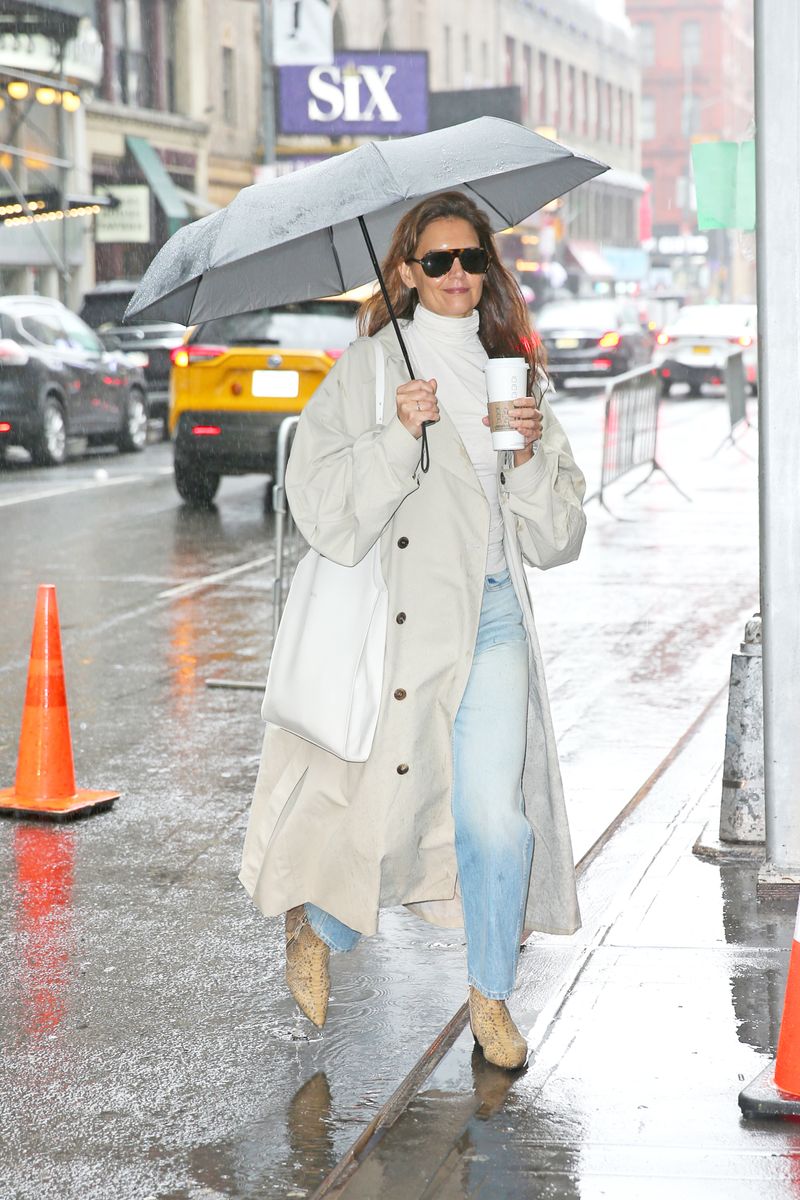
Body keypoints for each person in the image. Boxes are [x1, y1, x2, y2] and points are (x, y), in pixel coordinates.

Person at [240, 191, 586, 1071]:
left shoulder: (519, 373)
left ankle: (491, 994)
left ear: (489, 270)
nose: (457, 276)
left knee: (494, 819)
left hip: (495, 615)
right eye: (437, 262)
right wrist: (399, 432)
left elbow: (556, 540)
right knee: (385, 802)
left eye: (472, 259)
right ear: (406, 272)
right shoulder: (366, 372)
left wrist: (532, 456)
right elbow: (318, 507)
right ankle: (314, 923)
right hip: (402, 625)